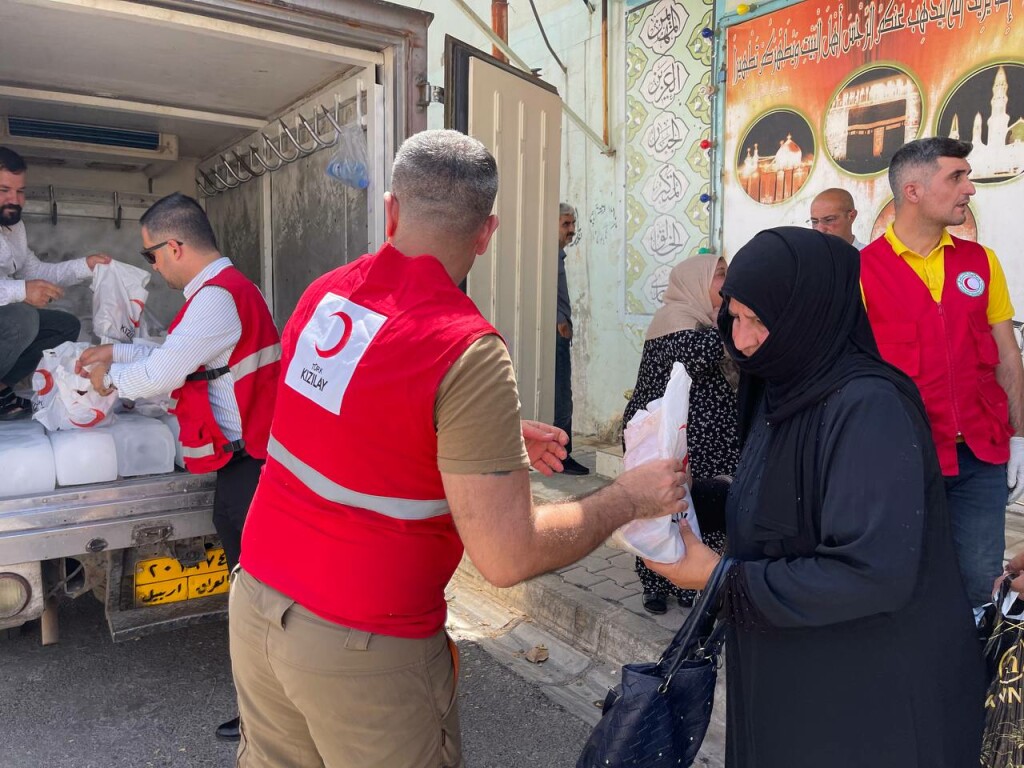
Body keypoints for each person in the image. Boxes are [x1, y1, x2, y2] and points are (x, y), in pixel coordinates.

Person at [228, 130, 686, 768]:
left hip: (257, 603)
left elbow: (340, 414)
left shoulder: (327, 294)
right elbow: (507, 554)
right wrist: (627, 499)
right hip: (363, 645)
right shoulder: (465, 347)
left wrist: (475, 438)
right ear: (487, 232)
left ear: (391, 210)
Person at [648, 227, 986, 767]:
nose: (743, 340)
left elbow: (869, 573)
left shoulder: (869, 407)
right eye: (733, 317)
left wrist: (719, 579)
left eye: (759, 321)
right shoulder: (784, 387)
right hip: (796, 676)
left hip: (866, 698)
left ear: (810, 314)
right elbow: (786, 505)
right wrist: (695, 497)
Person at [76, 192, 281, 742]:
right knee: (254, 590)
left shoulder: (216, 299)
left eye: (150, 255)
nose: (153, 266)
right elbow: (180, 354)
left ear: (175, 246)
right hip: (249, 461)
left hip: (254, 465)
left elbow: (164, 373)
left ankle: (270, 717)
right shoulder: (225, 291)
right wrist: (115, 355)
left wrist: (107, 382)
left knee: (258, 597)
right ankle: (268, 708)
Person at [860, 137, 1024, 611]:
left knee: (978, 583)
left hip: (980, 457)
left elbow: (1007, 355)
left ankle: (971, 655)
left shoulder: (981, 262)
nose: (969, 188)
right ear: (913, 191)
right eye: (956, 177)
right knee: (903, 582)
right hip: (902, 459)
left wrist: (1019, 435)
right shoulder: (862, 272)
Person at [623, 253, 739, 614]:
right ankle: (655, 583)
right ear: (696, 282)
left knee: (703, 509)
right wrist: (741, 325)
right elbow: (696, 355)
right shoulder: (674, 319)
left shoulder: (712, 320)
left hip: (710, 442)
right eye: (720, 275)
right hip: (667, 439)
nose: (727, 282)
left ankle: (692, 577)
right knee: (661, 508)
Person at [0, 146, 111, 418]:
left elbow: (35, 271)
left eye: (20, 191)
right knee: (22, 317)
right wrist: (21, 291)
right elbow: (23, 288)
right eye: (4, 190)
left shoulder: (15, 228)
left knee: (64, 326)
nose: (14, 199)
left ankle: (1, 388)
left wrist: (86, 266)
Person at [555, 202, 589, 475]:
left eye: (573, 223)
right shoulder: (548, 256)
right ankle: (561, 456)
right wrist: (559, 320)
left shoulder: (556, 255)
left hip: (558, 331)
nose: (572, 229)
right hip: (556, 332)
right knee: (561, 396)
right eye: (566, 224)